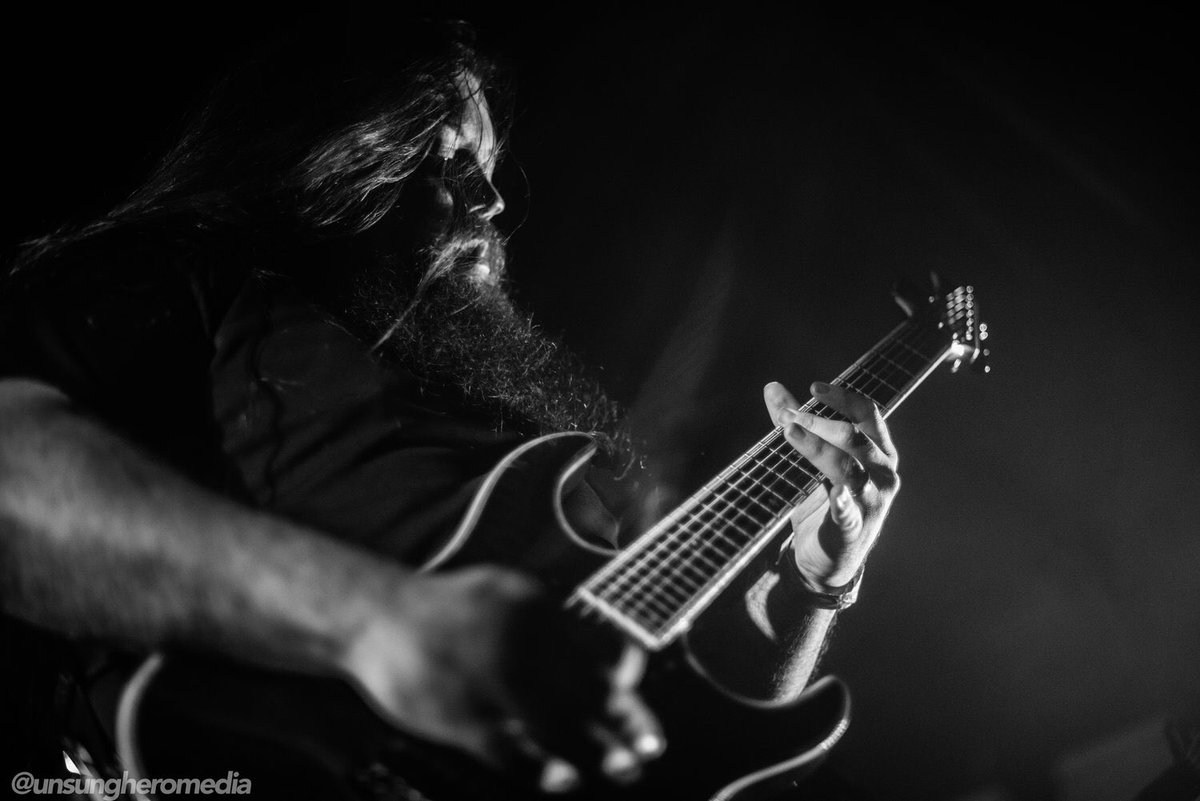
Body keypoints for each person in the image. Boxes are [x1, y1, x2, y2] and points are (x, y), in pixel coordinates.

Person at [0, 16, 899, 794]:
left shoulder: (510, 442)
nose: (495, 199)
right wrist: (374, 617)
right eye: (454, 156)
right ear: (338, 142)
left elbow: (696, 742)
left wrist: (821, 579)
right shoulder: (203, 270)